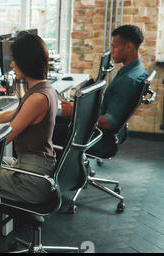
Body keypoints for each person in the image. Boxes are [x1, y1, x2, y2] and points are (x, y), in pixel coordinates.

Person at [0, 33, 58, 249]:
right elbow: (16, 114)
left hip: (32, 180)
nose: (11, 64)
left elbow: (7, 135)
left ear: (26, 61)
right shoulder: (44, 88)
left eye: (14, 59)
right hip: (35, 167)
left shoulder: (37, 98)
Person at [53, 25, 148, 157]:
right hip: (98, 131)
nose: (112, 51)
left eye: (114, 47)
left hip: (100, 138)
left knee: (42, 128)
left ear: (129, 47)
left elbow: (108, 123)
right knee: (54, 119)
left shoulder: (128, 80)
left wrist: (76, 111)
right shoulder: (136, 71)